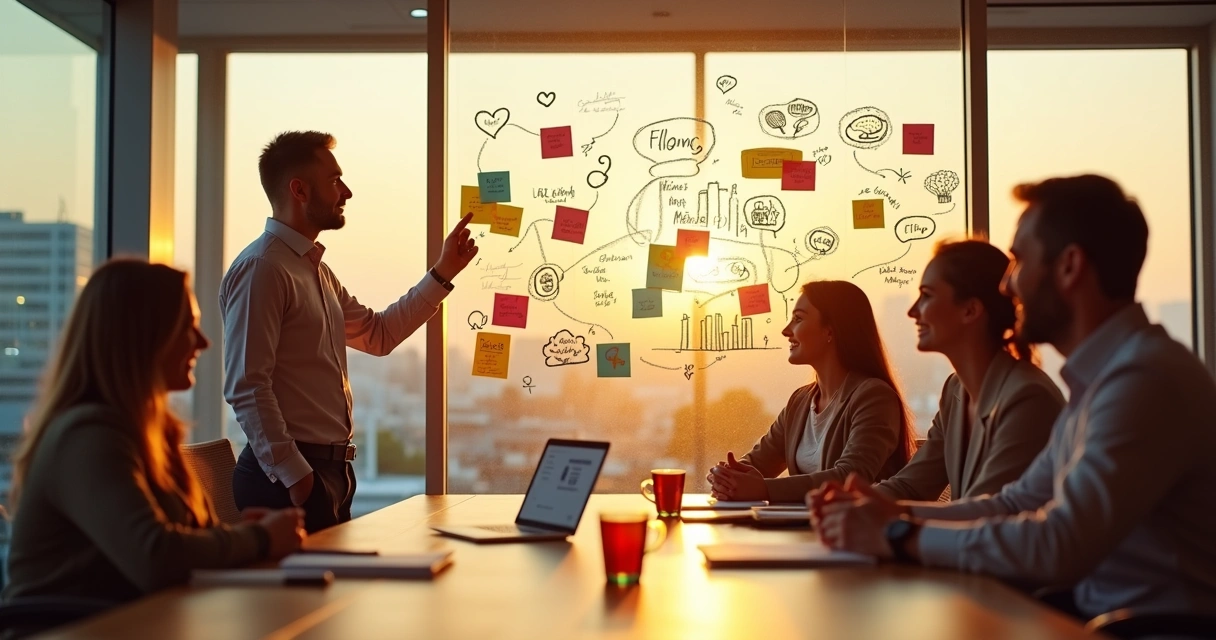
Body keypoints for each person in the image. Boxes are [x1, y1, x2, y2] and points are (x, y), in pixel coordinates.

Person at [814, 175, 1216, 620]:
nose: (1007, 286)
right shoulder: (1103, 380)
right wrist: (887, 512)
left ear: (1069, 266)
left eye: (1019, 261)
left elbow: (1059, 543)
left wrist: (895, 534)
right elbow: (1014, 503)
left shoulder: (1144, 380)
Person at [3, 259, 304, 605]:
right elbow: (155, 557)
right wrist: (259, 538)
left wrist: (236, 535)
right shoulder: (86, 438)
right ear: (143, 337)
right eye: (187, 327)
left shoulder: (151, 435)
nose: (203, 343)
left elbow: (175, 543)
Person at [222, 131, 478, 533]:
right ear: (299, 190)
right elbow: (247, 386)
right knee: (297, 598)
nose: (347, 192)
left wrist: (443, 273)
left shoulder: (316, 272)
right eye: (335, 180)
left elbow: (378, 335)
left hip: (329, 472)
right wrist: (298, 478)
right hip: (288, 479)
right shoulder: (263, 269)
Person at [873, 240, 1064, 502]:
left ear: (970, 310)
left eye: (927, 295)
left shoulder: (1028, 398)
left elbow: (985, 514)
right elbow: (912, 486)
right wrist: (850, 500)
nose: (912, 311)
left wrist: (880, 515)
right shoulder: (956, 389)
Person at [706, 280, 915, 504]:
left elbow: (852, 476)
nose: (786, 330)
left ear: (830, 330)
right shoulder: (800, 401)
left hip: (856, 532)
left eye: (798, 319)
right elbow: (757, 463)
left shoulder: (874, 397)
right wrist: (728, 477)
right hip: (809, 529)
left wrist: (764, 489)